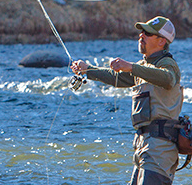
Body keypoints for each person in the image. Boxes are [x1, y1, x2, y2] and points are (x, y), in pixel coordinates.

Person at [70, 16, 183, 185]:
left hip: (160, 148)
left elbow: (168, 79)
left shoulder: (168, 63)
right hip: (143, 146)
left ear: (161, 41)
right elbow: (116, 77)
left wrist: (132, 67)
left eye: (147, 33)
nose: (141, 36)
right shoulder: (144, 66)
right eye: (141, 32)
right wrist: (88, 70)